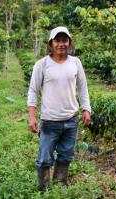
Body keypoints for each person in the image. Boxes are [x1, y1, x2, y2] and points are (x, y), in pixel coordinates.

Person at [27, 26, 91, 191]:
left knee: (66, 155)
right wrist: (32, 117)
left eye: (65, 40)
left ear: (69, 42)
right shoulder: (42, 65)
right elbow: (33, 90)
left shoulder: (76, 63)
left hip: (71, 120)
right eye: (58, 40)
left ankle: (60, 184)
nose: (61, 44)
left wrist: (86, 109)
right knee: (44, 159)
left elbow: (82, 88)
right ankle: (44, 189)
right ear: (51, 43)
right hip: (49, 121)